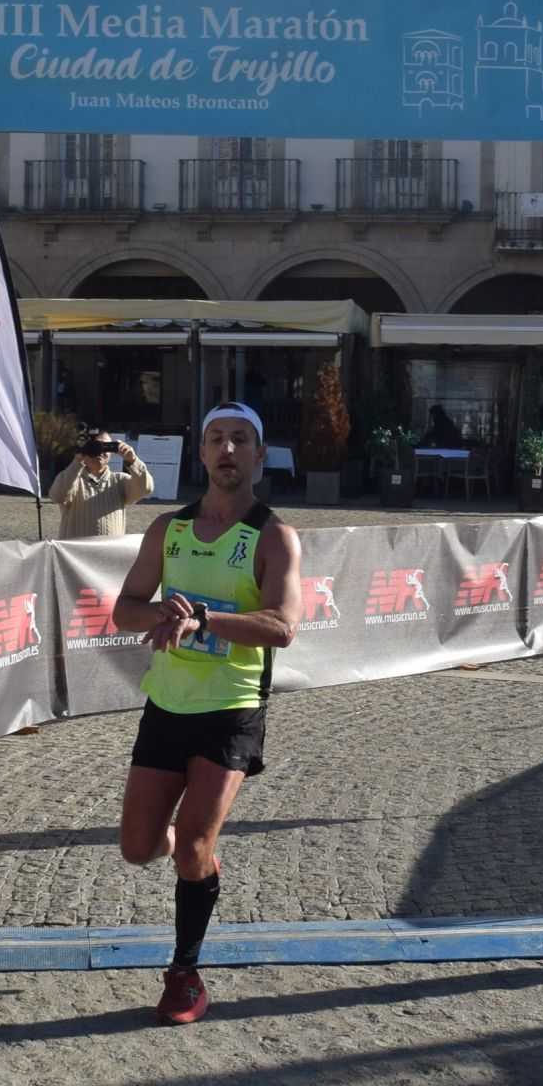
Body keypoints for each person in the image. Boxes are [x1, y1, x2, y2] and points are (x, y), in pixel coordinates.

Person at [110, 401, 302, 1025]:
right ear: (200, 453)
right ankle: (199, 855)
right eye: (216, 439)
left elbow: (282, 626)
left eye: (240, 440)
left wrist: (204, 619)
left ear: (258, 455)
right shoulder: (168, 529)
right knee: (140, 849)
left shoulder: (273, 536)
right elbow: (126, 608)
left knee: (191, 845)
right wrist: (160, 615)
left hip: (232, 710)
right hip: (166, 704)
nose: (227, 450)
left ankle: (185, 974)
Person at [45, 427, 153, 538]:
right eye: (95, 447)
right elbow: (57, 496)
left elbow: (146, 488)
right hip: (75, 553)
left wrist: (133, 460)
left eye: (104, 447)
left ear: (111, 452)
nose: (100, 452)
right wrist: (78, 460)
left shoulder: (120, 481)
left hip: (110, 553)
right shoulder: (72, 479)